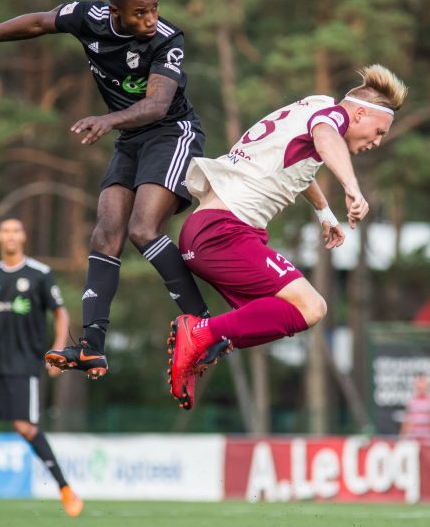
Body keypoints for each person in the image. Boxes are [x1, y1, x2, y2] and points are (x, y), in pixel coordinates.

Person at [0, 0, 211, 379]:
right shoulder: (89, 18)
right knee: (105, 232)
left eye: (154, 8)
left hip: (170, 133)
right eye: (140, 13)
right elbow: (37, 22)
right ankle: (92, 346)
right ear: (115, 11)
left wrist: (109, 119)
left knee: (143, 229)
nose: (151, 19)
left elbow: (156, 105)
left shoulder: (167, 39)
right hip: (129, 137)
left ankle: (206, 327)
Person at [164, 65, 408, 409]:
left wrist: (324, 212)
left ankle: (204, 347)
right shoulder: (330, 118)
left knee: (267, 316)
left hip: (208, 233)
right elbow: (326, 137)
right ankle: (200, 335)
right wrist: (351, 188)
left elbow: (299, 163)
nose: (378, 141)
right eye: (379, 131)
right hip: (222, 233)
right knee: (312, 307)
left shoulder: (314, 106)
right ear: (360, 113)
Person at [0, 218, 82, 518]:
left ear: (23, 237)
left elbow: (60, 313)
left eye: (16, 231)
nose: (11, 236)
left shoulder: (39, 274)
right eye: (6, 230)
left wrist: (58, 350)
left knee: (24, 427)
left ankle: (66, 489)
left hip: (22, 363)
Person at [399, 373, 430, 440]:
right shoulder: (411, 402)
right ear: (415, 385)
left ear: (427, 385)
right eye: (419, 382)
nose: (421, 385)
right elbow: (407, 424)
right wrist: (403, 439)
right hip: (414, 441)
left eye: (423, 382)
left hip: (429, 442)